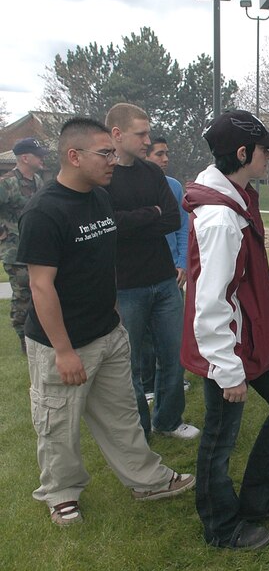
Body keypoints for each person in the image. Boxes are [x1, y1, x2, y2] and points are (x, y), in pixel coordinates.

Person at [17, 117, 195, 526]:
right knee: (58, 423)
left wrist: (113, 318)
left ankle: (146, 480)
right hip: (62, 342)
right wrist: (63, 350)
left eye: (113, 152)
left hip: (109, 331)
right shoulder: (44, 212)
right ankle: (61, 493)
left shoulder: (100, 198)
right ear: (74, 156)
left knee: (121, 415)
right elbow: (41, 287)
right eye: (105, 153)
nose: (113, 160)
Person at [181, 110, 269, 550]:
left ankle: (257, 497)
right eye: (264, 149)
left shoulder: (239, 194)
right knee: (220, 438)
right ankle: (220, 525)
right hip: (229, 349)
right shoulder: (220, 217)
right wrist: (227, 368)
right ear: (241, 153)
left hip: (252, 337)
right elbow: (210, 302)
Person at [104, 103, 199, 440]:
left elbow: (173, 219)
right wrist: (151, 215)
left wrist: (138, 218)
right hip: (126, 285)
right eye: (140, 133)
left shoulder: (153, 173)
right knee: (128, 366)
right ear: (117, 134)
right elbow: (110, 225)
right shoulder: (105, 176)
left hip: (163, 281)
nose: (147, 140)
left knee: (174, 355)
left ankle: (168, 420)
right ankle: (139, 430)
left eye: (147, 132)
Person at [143, 137, 190, 394]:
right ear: (145, 156)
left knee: (172, 335)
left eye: (166, 153)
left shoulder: (173, 186)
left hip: (172, 272)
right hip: (140, 273)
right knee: (144, 338)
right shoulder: (130, 187)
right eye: (159, 154)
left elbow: (184, 227)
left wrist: (182, 262)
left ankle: (173, 380)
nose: (165, 159)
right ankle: (147, 384)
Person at [0, 138, 48, 352]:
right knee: (22, 298)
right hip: (16, 252)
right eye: (38, 155)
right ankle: (24, 341)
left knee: (41, 293)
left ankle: (39, 335)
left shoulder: (38, 181)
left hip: (37, 250)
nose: (42, 158)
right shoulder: (7, 183)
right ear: (25, 158)